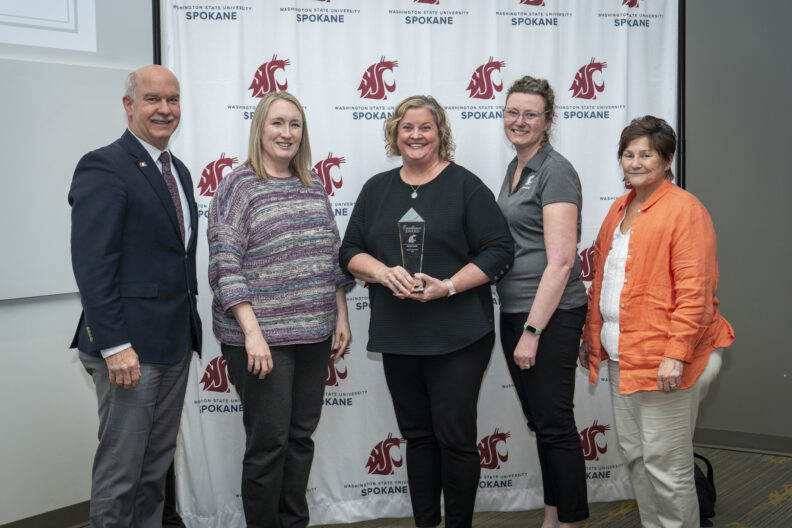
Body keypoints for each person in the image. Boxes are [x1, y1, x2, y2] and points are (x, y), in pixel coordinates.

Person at [339, 95, 514, 528]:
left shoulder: (465, 185)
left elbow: (499, 249)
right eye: (407, 128)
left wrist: (449, 286)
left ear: (440, 134)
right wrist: (381, 273)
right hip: (399, 335)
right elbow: (349, 251)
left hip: (459, 335)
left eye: (425, 128)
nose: (416, 135)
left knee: (455, 440)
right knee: (416, 438)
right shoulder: (376, 189)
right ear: (395, 134)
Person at [579, 116, 734, 528]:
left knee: (667, 464)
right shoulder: (620, 208)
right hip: (621, 356)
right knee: (636, 456)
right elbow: (602, 281)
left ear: (667, 159)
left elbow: (695, 293)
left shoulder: (685, 210)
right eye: (628, 154)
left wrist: (675, 355)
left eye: (646, 154)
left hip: (665, 360)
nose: (635, 162)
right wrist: (590, 337)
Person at [207, 91, 353, 528]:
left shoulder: (313, 185)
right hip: (261, 341)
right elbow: (224, 263)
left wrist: (341, 313)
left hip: (314, 335)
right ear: (260, 128)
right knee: (268, 446)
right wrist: (253, 333)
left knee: (299, 439)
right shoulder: (238, 185)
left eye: (295, 124)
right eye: (277, 123)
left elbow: (331, 255)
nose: (287, 133)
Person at [69, 64, 202, 527]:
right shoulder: (104, 164)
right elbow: (92, 264)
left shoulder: (179, 172)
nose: (164, 109)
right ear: (129, 105)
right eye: (152, 99)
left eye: (173, 99)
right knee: (121, 475)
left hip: (172, 344)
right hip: (128, 350)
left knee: (153, 473)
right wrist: (114, 345)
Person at [495, 76, 590, 528]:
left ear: (548, 121)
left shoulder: (555, 170)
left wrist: (532, 332)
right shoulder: (516, 168)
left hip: (550, 316)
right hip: (517, 310)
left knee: (555, 425)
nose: (520, 121)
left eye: (531, 114)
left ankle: (569, 522)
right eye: (513, 112)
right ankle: (552, 518)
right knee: (542, 424)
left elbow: (562, 260)